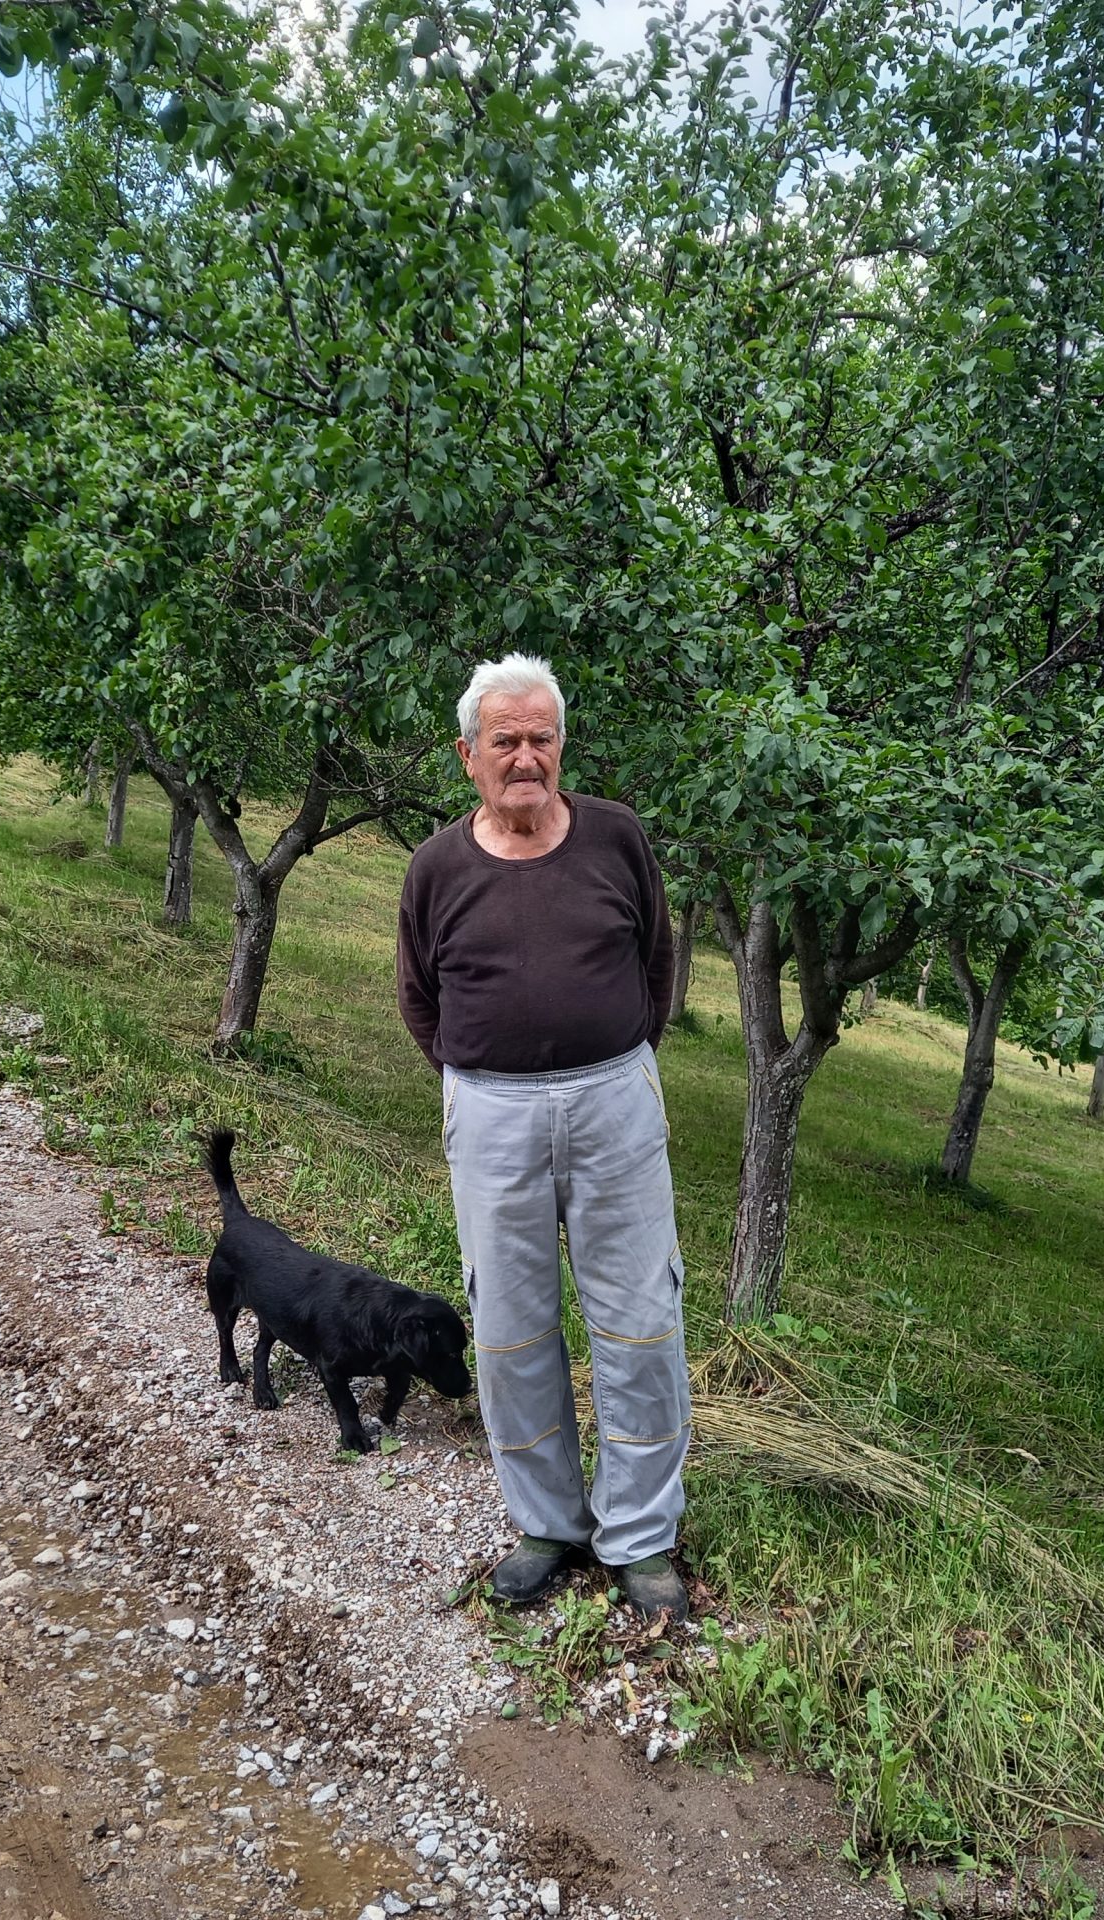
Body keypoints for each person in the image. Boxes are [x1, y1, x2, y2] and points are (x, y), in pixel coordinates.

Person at [396, 654, 690, 1621]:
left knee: (640, 1324)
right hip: (491, 1114)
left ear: (561, 745)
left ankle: (640, 1536)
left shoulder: (617, 836)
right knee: (511, 1330)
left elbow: (656, 962)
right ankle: (548, 1525)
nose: (526, 757)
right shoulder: (435, 868)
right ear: (468, 755)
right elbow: (421, 999)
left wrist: (613, 1060)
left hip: (615, 1103)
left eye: (541, 738)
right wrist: (487, 1083)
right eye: (505, 740)